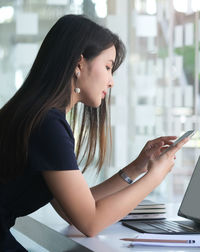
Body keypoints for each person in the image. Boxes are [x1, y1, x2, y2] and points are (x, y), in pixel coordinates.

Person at [0, 14, 188, 251]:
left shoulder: (37, 114)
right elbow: (90, 221)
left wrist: (138, 167)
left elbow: (75, 209)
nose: (111, 81)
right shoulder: (47, 126)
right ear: (79, 64)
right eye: (108, 67)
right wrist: (155, 176)